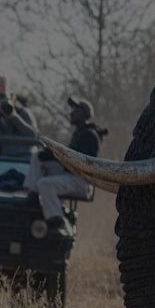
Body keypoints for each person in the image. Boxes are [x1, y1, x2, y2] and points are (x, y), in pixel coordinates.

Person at [25, 97, 104, 235]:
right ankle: (33, 194)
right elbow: (69, 158)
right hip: (70, 175)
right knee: (37, 156)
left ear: (85, 114)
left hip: (81, 181)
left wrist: (57, 155)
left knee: (45, 184)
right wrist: (51, 154)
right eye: (72, 110)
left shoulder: (90, 135)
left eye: (76, 110)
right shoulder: (79, 133)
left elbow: (82, 164)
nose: (71, 113)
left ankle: (57, 220)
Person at [0, 91, 39, 157]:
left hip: (25, 156)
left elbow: (33, 136)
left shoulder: (23, 112)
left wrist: (15, 118)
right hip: (6, 158)